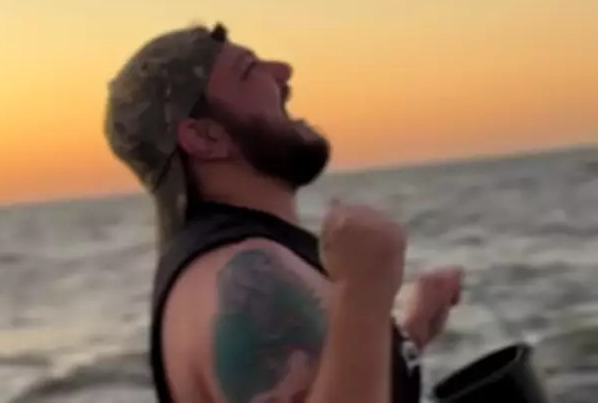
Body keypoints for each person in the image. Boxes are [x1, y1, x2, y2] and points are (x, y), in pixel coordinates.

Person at [104, 22, 463, 403]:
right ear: (205, 137)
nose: (283, 72)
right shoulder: (249, 274)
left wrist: (413, 331)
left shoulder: (232, 259)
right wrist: (365, 287)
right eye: (248, 70)